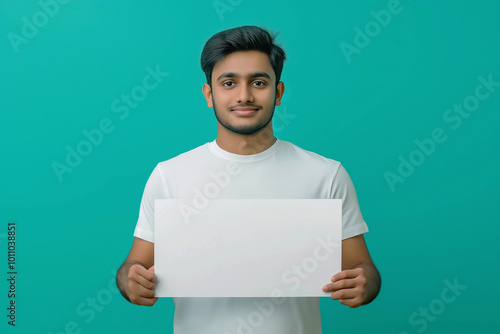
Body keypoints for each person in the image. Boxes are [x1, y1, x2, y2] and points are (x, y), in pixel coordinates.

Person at [116, 25, 381, 333]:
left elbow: (364, 268)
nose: (244, 95)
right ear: (209, 94)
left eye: (258, 82)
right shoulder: (169, 175)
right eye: (229, 83)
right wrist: (131, 282)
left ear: (278, 92)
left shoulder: (325, 174)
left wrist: (364, 284)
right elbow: (133, 266)